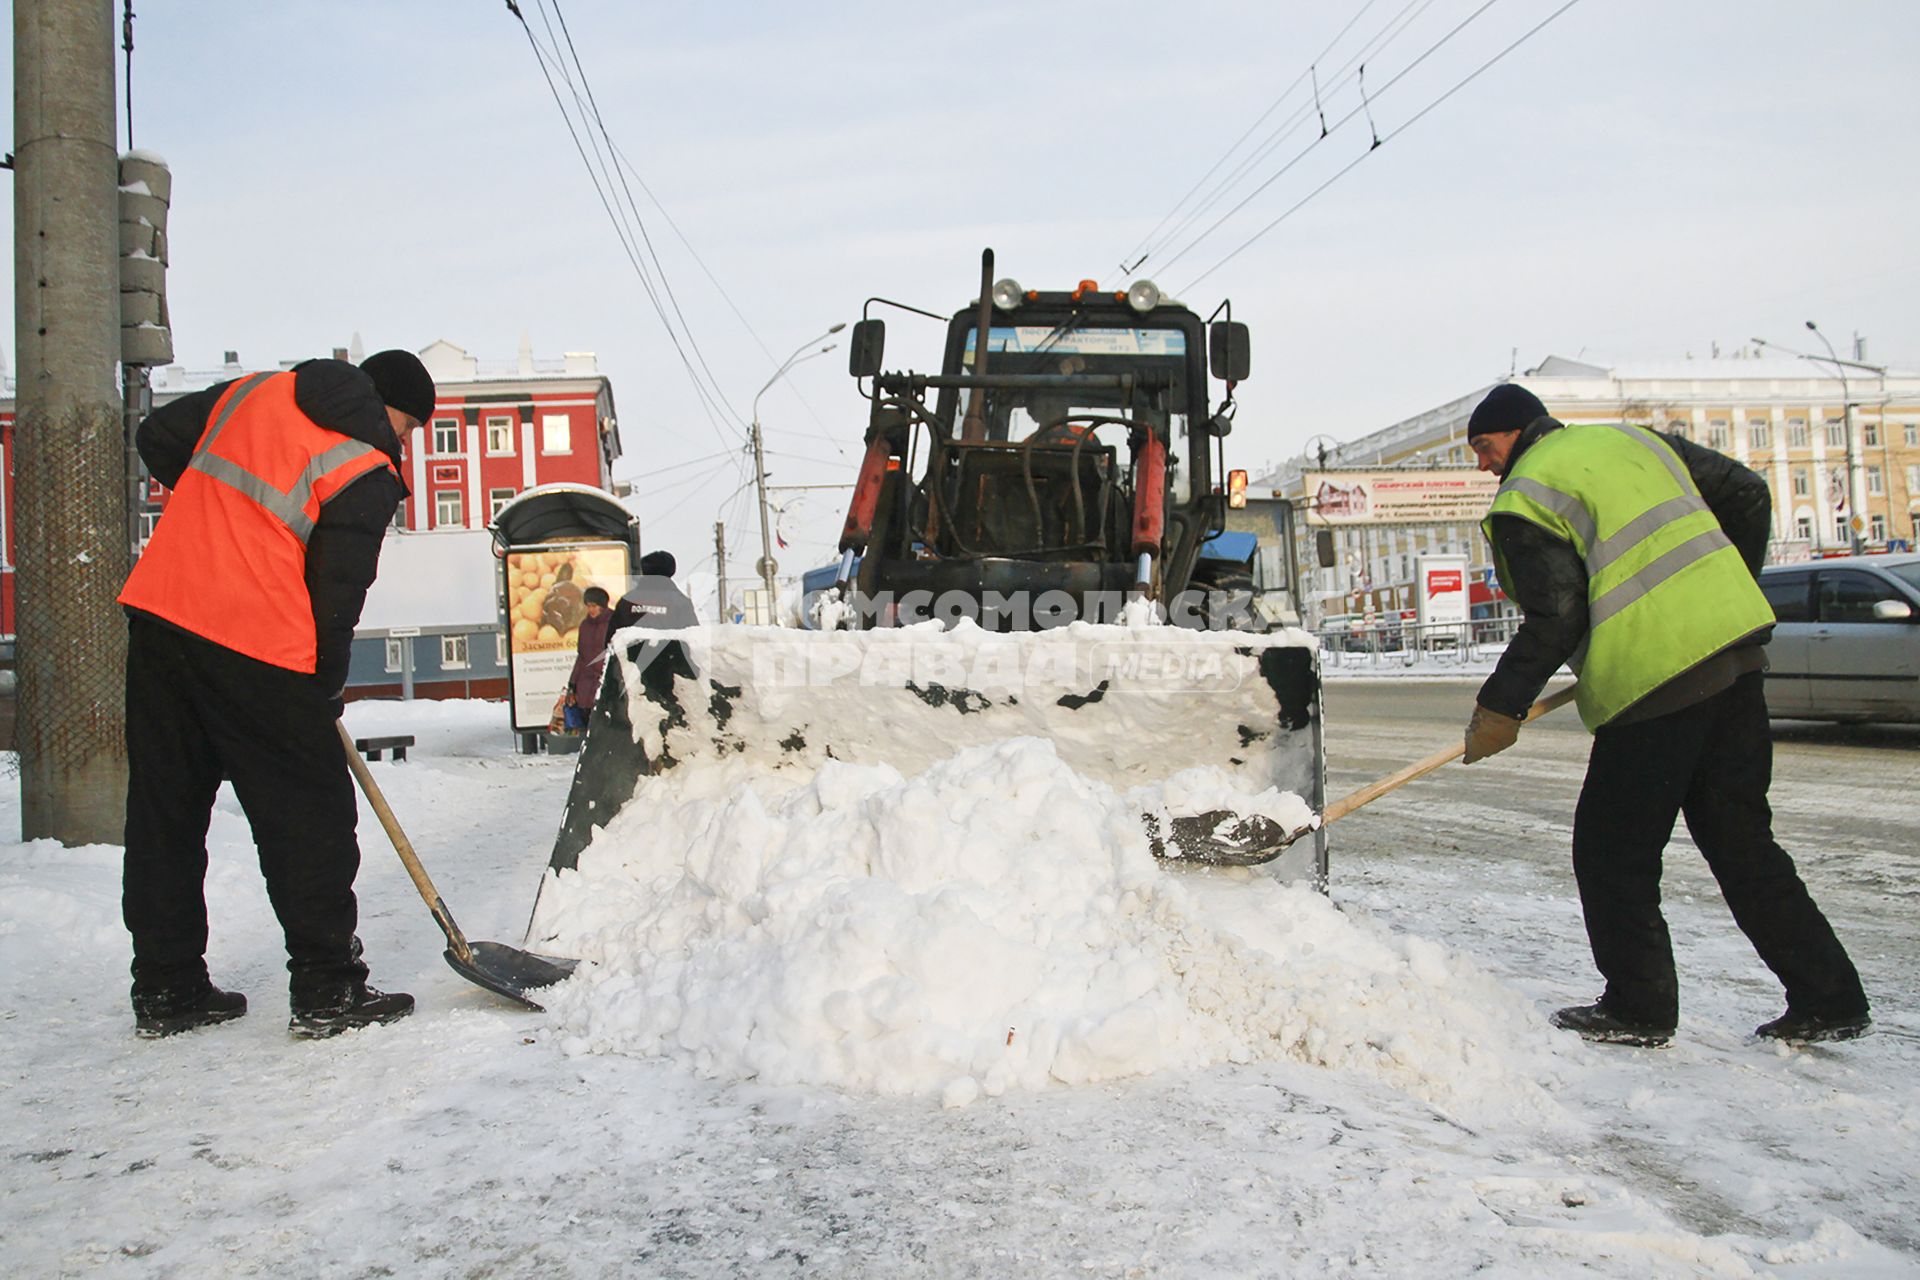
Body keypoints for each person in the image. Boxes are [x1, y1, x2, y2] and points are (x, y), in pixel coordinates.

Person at [1462, 382, 1869, 1047]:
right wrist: (1725, 587)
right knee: (1742, 842)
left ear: (1518, 431)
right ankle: (1829, 996)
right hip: (1734, 655)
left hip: (1654, 679)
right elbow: (1747, 492)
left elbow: (1557, 615)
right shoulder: (1634, 441)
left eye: (1484, 446)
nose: (1483, 465)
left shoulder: (1526, 495)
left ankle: (1638, 1007)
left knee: (1611, 852)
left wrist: (1498, 706)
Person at [117, 349, 435, 1039]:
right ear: (384, 404)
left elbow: (157, 437)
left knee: (163, 812)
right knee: (310, 815)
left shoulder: (258, 391)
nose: (403, 440)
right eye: (407, 426)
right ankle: (327, 988)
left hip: (162, 612)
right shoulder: (365, 464)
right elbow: (336, 597)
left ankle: (167, 990)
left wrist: (220, 519)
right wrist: (321, 687)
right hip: (255, 636)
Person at [560, 586, 615, 729]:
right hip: (585, 684)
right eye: (588, 606)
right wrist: (573, 682)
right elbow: (582, 656)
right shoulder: (585, 626)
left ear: (602, 606)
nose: (590, 610)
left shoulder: (614, 623)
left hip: (605, 682)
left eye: (594, 606)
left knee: (605, 724)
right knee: (587, 724)